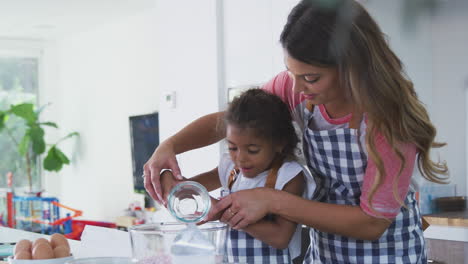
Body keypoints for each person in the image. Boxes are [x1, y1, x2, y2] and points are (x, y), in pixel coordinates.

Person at [143, 0, 448, 263]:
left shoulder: (388, 121)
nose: (298, 88)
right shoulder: (297, 90)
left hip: (388, 254)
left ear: (351, 67)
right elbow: (236, 120)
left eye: (311, 78)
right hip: (325, 251)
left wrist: (271, 199)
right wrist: (169, 146)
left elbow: (371, 224)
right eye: (292, 74)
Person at [159, 89, 307, 263]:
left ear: (279, 144)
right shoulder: (230, 169)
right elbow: (189, 188)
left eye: (253, 150)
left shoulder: (289, 176)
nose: (240, 158)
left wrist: (221, 211)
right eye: (232, 147)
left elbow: (281, 238)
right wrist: (168, 177)